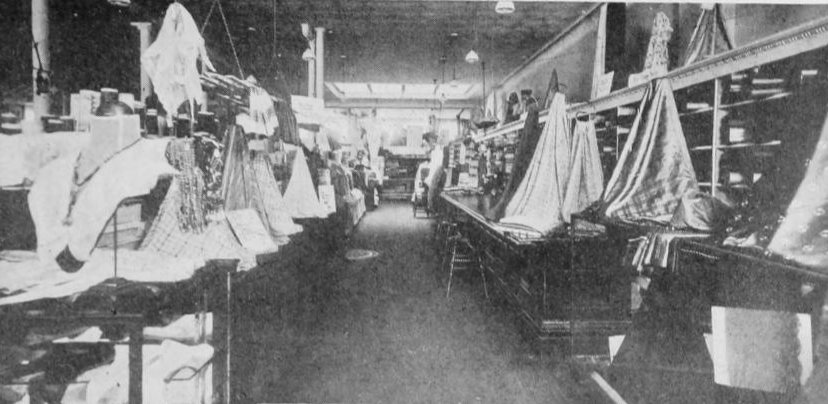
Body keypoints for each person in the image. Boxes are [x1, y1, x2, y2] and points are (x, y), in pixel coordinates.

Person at [422, 132, 444, 212]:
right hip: (434, 173)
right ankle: (430, 205)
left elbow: (438, 167)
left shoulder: (438, 150)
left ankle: (431, 206)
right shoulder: (435, 150)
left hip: (437, 173)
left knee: (431, 190)